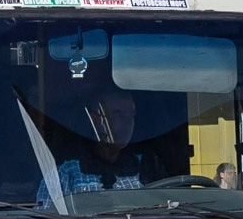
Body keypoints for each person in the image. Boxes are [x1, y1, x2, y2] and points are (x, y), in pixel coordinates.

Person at [36, 86, 165, 207]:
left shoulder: (146, 164)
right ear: (96, 120)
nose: (127, 123)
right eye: (118, 114)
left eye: (131, 115)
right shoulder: (65, 170)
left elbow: (168, 209)